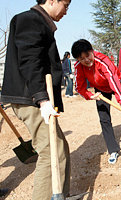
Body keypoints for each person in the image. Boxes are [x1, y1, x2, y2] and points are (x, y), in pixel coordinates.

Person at [0, 0, 71, 199]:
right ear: (52, 1)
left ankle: (60, 195)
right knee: (51, 152)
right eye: (65, 5)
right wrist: (42, 98)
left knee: (59, 147)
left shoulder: (39, 21)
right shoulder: (30, 19)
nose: (66, 11)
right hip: (30, 97)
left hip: (33, 96)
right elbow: (29, 60)